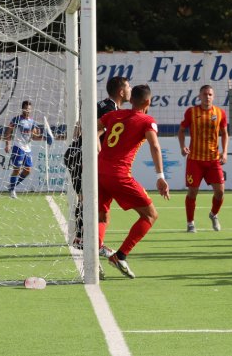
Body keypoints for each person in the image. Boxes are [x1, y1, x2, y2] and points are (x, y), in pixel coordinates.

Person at [96, 84, 171, 278]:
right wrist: (160, 177)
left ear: (131, 100)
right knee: (150, 215)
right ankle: (120, 256)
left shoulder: (113, 116)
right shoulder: (147, 120)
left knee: (102, 217)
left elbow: (92, 128)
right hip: (119, 175)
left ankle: (93, 258)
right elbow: (154, 146)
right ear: (148, 101)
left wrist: (97, 144)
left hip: (99, 171)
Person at [62, 76, 130, 252]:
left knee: (87, 197)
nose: (130, 90)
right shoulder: (110, 110)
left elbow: (80, 127)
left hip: (75, 152)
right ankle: (84, 238)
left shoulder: (101, 104)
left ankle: (81, 236)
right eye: (128, 87)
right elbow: (95, 133)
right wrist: (92, 159)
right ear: (121, 92)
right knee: (90, 198)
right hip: (82, 156)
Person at [177, 84, 228, 233]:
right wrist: (182, 146)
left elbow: (225, 133)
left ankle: (213, 214)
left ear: (213, 96)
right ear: (199, 96)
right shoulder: (191, 112)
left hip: (213, 160)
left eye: (210, 94)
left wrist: (224, 153)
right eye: (205, 94)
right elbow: (181, 131)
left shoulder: (220, 113)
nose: (207, 97)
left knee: (220, 192)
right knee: (193, 192)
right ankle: (190, 223)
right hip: (195, 160)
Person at [5, 100, 43, 199]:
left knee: (27, 170)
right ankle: (12, 191)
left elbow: (34, 136)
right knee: (17, 169)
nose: (28, 110)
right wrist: (7, 144)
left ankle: (12, 186)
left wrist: (39, 133)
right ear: (22, 108)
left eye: (29, 109)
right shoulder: (16, 119)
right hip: (18, 146)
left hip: (27, 148)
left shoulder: (32, 122)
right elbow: (8, 132)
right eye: (26, 108)